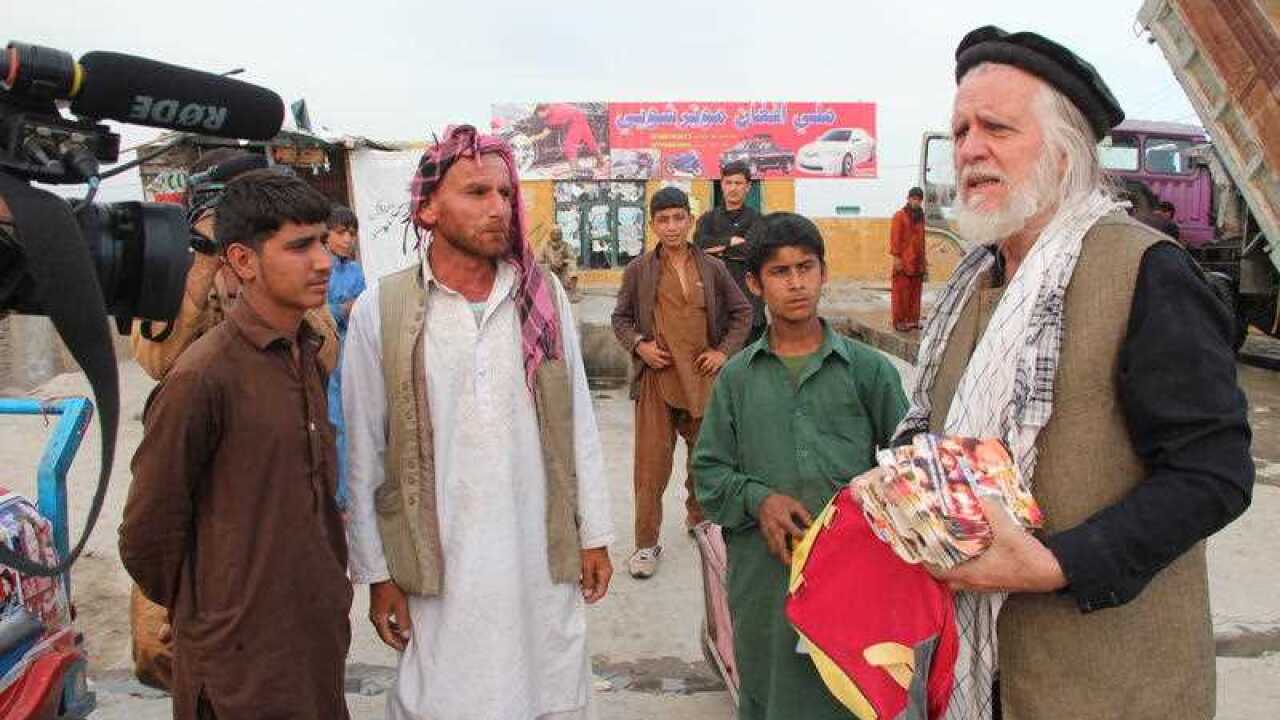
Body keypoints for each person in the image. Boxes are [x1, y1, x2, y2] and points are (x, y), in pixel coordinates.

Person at [887, 26, 1252, 719]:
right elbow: (931, 435)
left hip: (1105, 686)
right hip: (970, 673)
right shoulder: (972, 284)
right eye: (960, 130)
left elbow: (1214, 475)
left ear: (1065, 150)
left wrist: (1056, 565)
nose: (969, 149)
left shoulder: (1144, 270)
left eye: (996, 127)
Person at [342, 125, 614, 720]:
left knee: (548, 681)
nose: (499, 209)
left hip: (536, 553)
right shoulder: (380, 311)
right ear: (428, 206)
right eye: (477, 193)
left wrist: (593, 531)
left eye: (505, 193)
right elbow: (365, 452)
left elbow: (579, 424)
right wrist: (377, 574)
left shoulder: (541, 299)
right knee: (442, 695)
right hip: (439, 561)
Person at [120, 169, 352, 720]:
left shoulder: (306, 353)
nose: (323, 261)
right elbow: (147, 536)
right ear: (242, 261)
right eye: (299, 247)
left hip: (312, 650)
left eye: (323, 241)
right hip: (238, 672)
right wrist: (216, 615)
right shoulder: (202, 377)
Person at [693, 213, 907, 719]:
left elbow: (908, 471)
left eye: (805, 268)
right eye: (780, 272)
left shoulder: (869, 372)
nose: (796, 283)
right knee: (774, 699)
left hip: (855, 581)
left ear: (824, 273)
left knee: (852, 698)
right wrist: (759, 500)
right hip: (766, 583)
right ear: (754, 284)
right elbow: (709, 475)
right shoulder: (737, 380)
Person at [611, 186, 752, 578]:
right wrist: (640, 346)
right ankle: (645, 545)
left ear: (690, 221)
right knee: (651, 468)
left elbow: (743, 313)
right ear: (653, 224)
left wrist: (723, 352)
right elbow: (619, 319)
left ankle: (700, 520)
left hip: (703, 382)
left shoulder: (711, 267)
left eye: (678, 218)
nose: (671, 226)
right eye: (663, 219)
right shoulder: (640, 269)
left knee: (704, 462)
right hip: (658, 382)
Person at [695, 161, 767, 342]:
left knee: (749, 361)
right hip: (715, 303)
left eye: (738, 183)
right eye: (729, 183)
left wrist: (718, 250)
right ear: (722, 184)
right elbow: (699, 246)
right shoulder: (708, 219)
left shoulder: (757, 220)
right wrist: (730, 242)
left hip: (749, 304)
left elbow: (751, 251)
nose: (733, 188)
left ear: (748, 187)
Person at [325, 204, 366, 510]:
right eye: (340, 232)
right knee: (334, 423)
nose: (347, 239)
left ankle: (353, 488)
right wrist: (342, 309)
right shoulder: (319, 269)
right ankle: (338, 495)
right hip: (328, 355)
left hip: (351, 354)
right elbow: (315, 312)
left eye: (351, 233)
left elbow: (363, 307)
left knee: (355, 420)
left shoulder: (354, 271)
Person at [889, 187, 928, 331]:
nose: (916, 202)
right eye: (914, 199)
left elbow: (922, 240)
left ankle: (913, 320)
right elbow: (895, 238)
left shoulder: (920, 217)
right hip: (903, 261)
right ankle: (899, 321)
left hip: (917, 261)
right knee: (901, 293)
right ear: (908, 199)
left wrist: (924, 261)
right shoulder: (899, 216)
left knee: (915, 292)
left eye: (919, 200)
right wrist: (897, 258)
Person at [530, 103, 605, 176]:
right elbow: (546, 132)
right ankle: (601, 161)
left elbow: (545, 133)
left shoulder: (553, 116)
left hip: (576, 120)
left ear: (543, 110)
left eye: (537, 114)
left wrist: (533, 138)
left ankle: (576, 170)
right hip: (579, 116)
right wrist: (534, 138)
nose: (538, 117)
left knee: (569, 145)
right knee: (590, 141)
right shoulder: (551, 111)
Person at [538, 226, 580, 300]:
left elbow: (572, 259)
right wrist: (549, 265)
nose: (556, 235)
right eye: (555, 233)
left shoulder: (566, 245)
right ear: (551, 234)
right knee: (541, 268)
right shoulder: (545, 246)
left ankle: (572, 292)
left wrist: (563, 262)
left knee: (572, 265)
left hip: (562, 272)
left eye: (558, 233)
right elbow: (539, 260)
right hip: (550, 272)